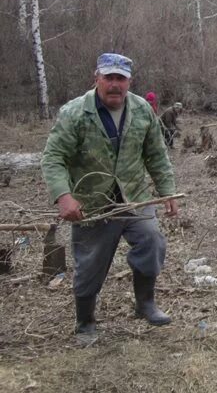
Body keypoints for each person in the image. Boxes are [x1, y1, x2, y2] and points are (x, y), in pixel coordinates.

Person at [40, 53, 178, 342]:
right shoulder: (75, 113)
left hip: (134, 198)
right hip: (92, 203)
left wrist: (167, 191)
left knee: (152, 241)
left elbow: (156, 154)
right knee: (90, 263)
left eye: (121, 79)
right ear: (97, 78)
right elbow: (53, 157)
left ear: (130, 81)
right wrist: (64, 196)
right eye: (109, 78)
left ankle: (145, 304)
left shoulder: (141, 110)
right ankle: (85, 321)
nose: (115, 84)